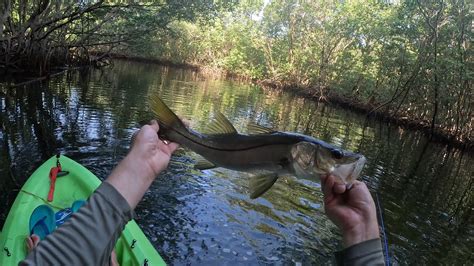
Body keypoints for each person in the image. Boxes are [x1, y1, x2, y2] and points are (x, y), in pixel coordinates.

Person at [21, 120, 384, 265]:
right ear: (302, 153)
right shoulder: (291, 154)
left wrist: (362, 231)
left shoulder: (293, 158)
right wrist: (363, 235)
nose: (339, 161)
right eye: (334, 156)